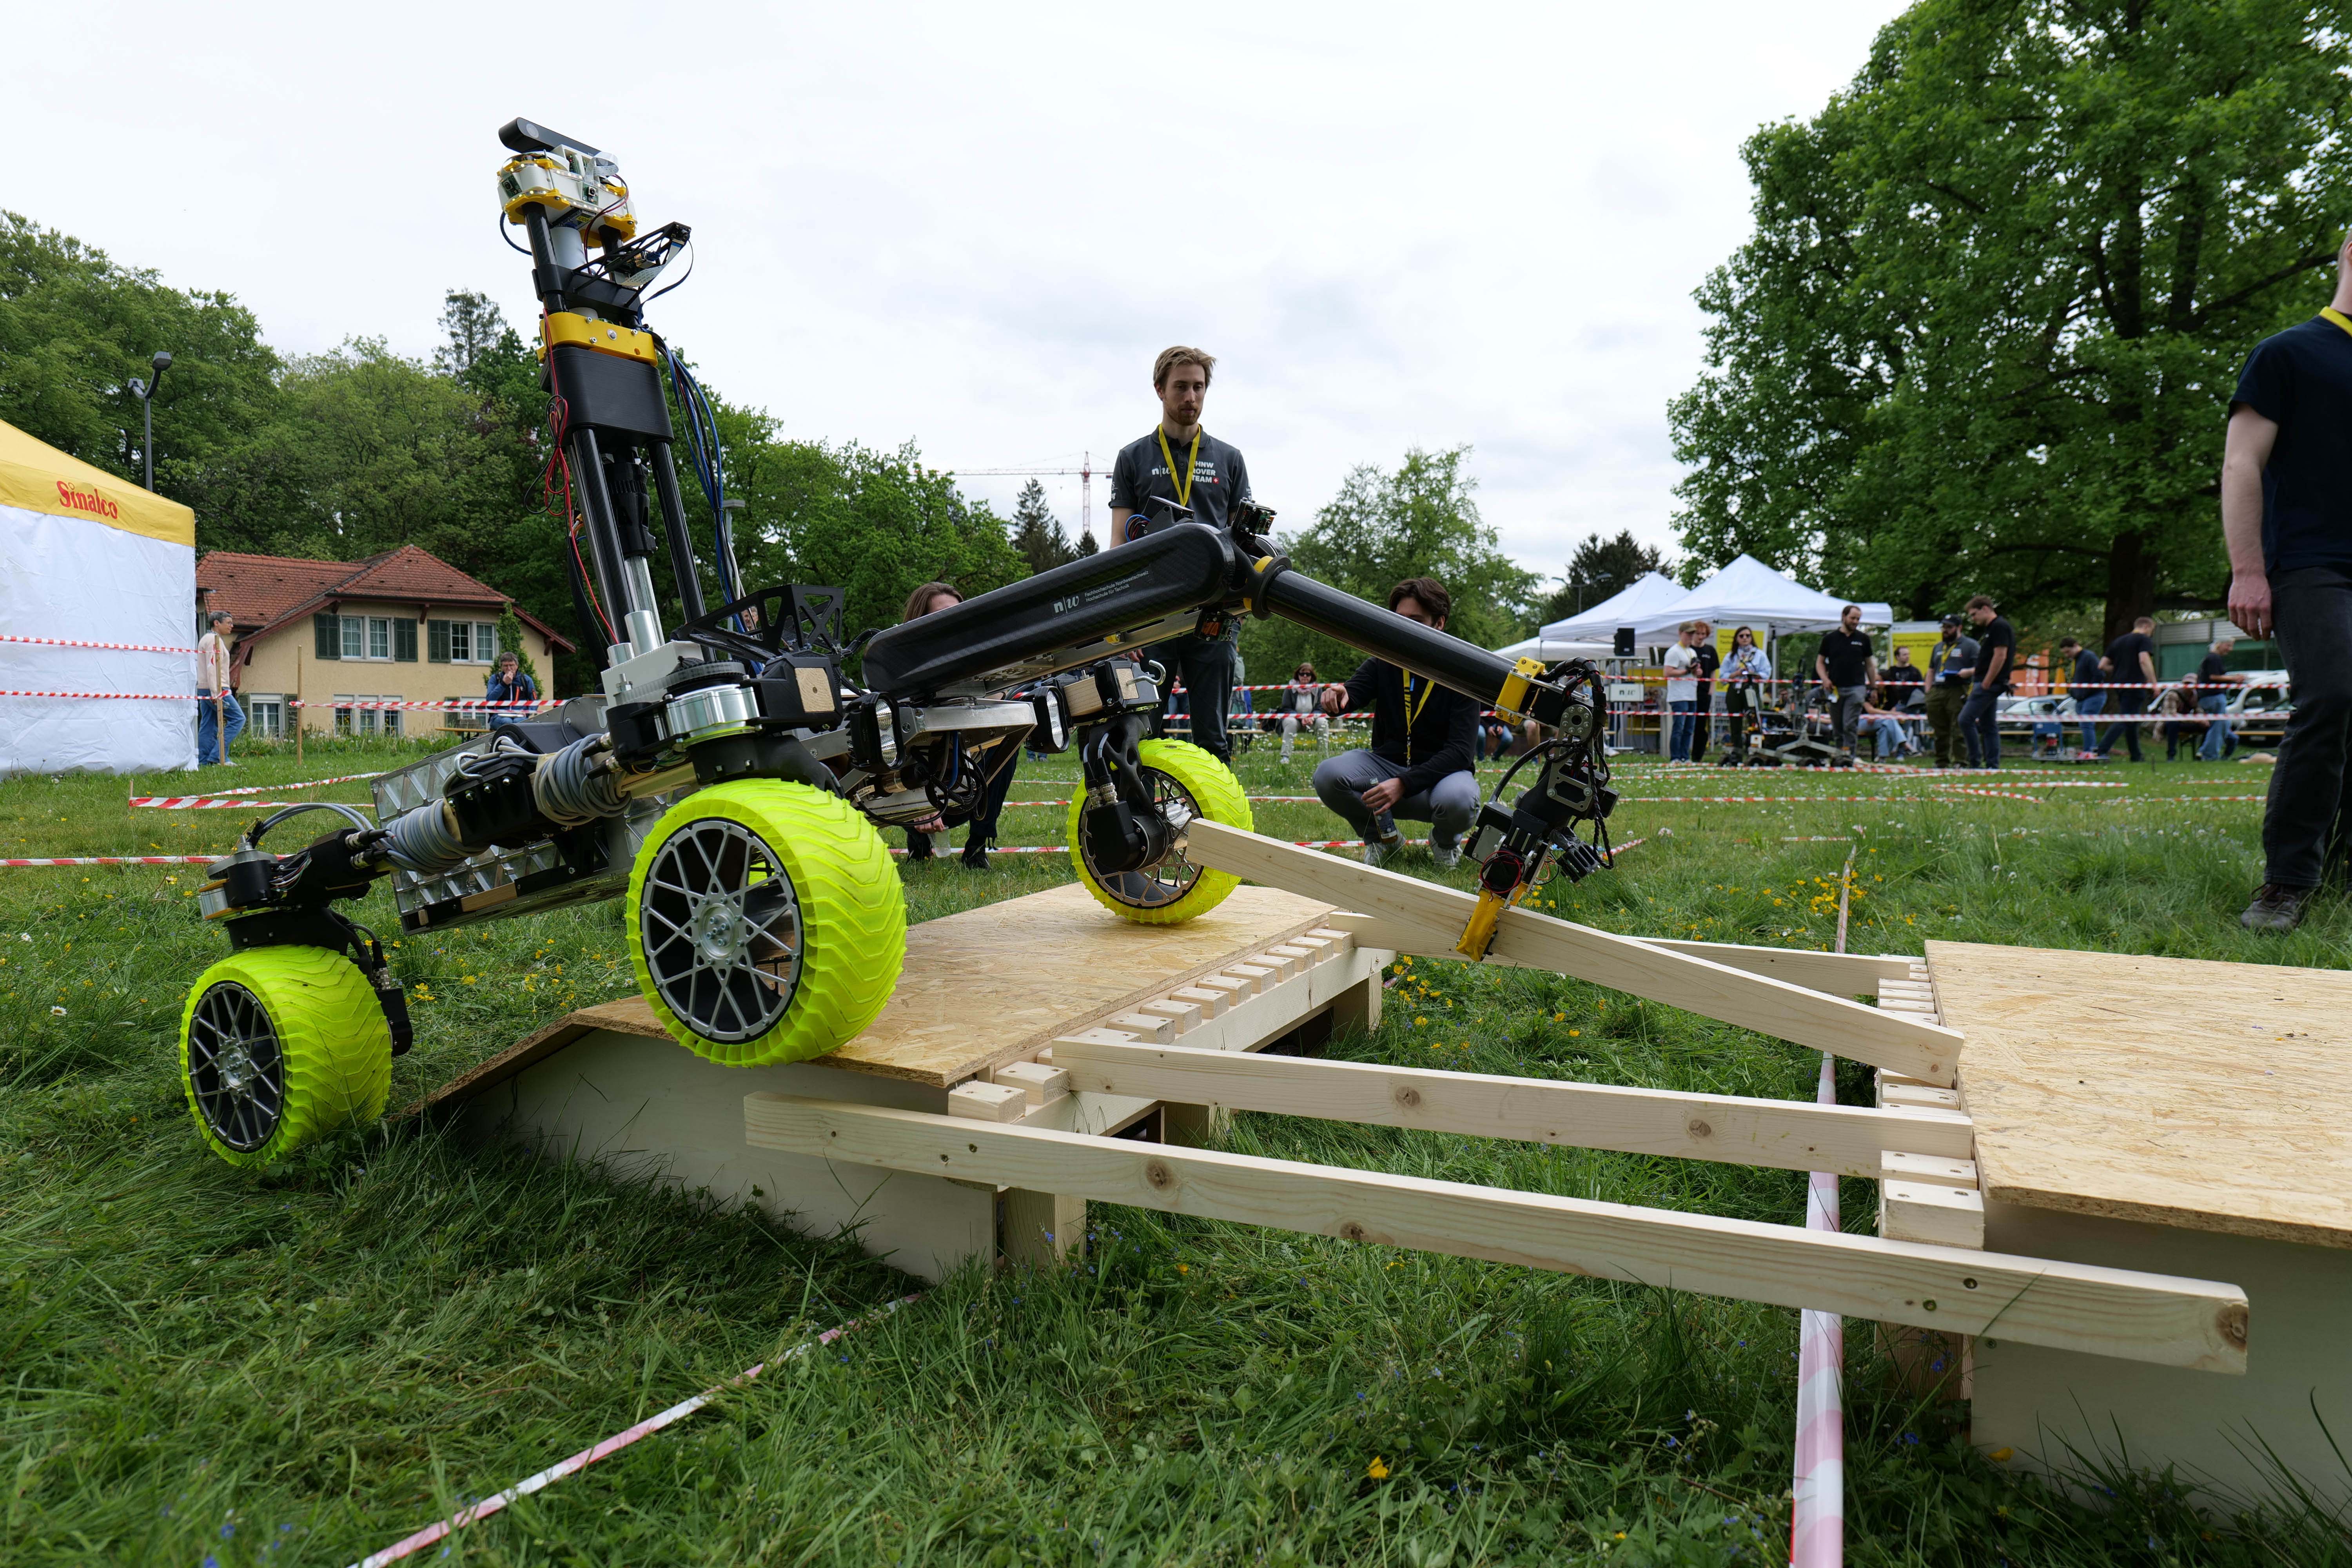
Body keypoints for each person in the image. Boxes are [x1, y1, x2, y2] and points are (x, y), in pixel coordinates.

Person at [2227, 237, 2352, 929]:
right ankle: (2287, 882)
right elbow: (2241, 464)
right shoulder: (2287, 354)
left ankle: (2343, 868)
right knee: (2332, 695)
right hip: (2311, 563)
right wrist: (2248, 569)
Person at [1108, 345, 1253, 764]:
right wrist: (1120, 623)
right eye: (1181, 387)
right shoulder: (1133, 457)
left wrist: (1240, 606)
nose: (1191, 397)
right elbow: (1118, 543)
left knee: (1213, 739)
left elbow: (1244, 542)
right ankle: (1140, 807)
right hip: (1153, 612)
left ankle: (1216, 809)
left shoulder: (1230, 459)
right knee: (1143, 733)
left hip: (1213, 611)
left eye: (1199, 387)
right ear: (1160, 389)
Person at [1312, 577, 1481, 869]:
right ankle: (1383, 839)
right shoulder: (1384, 660)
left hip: (1441, 779)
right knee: (1328, 775)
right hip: (1387, 768)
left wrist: (1405, 783)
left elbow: (1461, 753)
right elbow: (1352, 693)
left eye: (1416, 620)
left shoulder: (1463, 672)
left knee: (1461, 800)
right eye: (1399, 619)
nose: (1404, 627)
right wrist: (1338, 698)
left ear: (1440, 623)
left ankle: (1444, 843)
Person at [897, 581, 1018, 869]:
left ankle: (977, 849)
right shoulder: (899, 672)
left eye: (957, 615)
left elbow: (998, 699)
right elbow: (896, 748)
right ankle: (918, 843)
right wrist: (920, 803)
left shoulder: (974, 662)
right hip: (916, 786)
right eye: (941, 617)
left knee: (1008, 744)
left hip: (963, 784)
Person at [1815, 604, 1876, 766]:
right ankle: (1839, 755)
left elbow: (1870, 665)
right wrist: (1825, 679)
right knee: (1838, 727)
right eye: (1853, 618)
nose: (1856, 622)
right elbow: (1820, 663)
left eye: (1858, 619)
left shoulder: (1863, 639)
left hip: (1857, 688)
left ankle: (1849, 756)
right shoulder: (1830, 639)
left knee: (1850, 724)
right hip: (1835, 689)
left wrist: (1873, 687)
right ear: (1844, 617)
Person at [1959, 594, 2016, 768]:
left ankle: (1975, 762)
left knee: (1965, 720)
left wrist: (1987, 681)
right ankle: (1992, 765)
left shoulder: (1999, 626)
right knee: (1988, 724)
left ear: (1985, 609)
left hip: (1989, 683)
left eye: (1974, 614)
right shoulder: (1993, 628)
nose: (1973, 619)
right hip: (1988, 681)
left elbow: (2000, 655)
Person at [2092, 615, 2159, 763]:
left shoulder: (2118, 641)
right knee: (2126, 718)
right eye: (2152, 630)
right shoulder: (2143, 639)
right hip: (2135, 684)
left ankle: (2136, 755)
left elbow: (2102, 665)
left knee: (2132, 720)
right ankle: (2102, 750)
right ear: (2147, 627)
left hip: (2119, 685)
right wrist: (2154, 683)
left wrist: (2119, 669)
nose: (2151, 634)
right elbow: (2144, 660)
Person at [1925, 614, 1978, 768]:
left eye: (1949, 627)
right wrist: (1928, 691)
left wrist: (1968, 672)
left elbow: (1981, 667)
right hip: (1937, 691)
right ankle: (1941, 761)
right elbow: (1931, 670)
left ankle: (1960, 761)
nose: (1946, 630)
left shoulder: (1971, 646)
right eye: (1944, 627)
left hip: (1958, 689)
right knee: (1939, 729)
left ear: (1959, 628)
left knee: (1958, 728)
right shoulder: (1938, 647)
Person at [194, 610, 244, 766]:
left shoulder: (208, 639)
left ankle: (204, 761)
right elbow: (212, 667)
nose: (232, 626)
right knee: (238, 719)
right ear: (217, 623)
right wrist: (216, 693)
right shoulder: (213, 640)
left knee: (209, 724)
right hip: (216, 688)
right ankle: (219, 756)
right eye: (229, 623)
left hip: (205, 688)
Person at [1719, 626, 1771, 764]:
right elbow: (1723, 677)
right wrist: (1736, 674)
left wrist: (1754, 674)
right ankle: (1737, 753)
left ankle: (1755, 752)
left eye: (1748, 635)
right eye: (1741, 636)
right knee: (1735, 722)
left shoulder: (1759, 654)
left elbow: (1766, 673)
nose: (1745, 638)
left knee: (1755, 721)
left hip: (1751, 688)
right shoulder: (1731, 656)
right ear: (1737, 639)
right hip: (1735, 690)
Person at [2196, 637, 2243, 762]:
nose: (2230, 649)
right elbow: (2214, 677)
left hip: (2209, 697)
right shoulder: (2214, 658)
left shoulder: (2210, 658)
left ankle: (2207, 751)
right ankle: (2209, 754)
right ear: (2219, 645)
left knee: (2224, 725)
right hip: (2214, 697)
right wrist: (2234, 678)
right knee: (2218, 726)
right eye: (2228, 646)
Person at [1662, 622, 1702, 761]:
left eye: (1692, 634)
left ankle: (1685, 756)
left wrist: (1697, 672)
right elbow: (1667, 672)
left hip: (1692, 694)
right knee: (1679, 728)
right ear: (1681, 633)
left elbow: (1695, 672)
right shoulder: (1674, 651)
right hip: (1679, 696)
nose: (1690, 637)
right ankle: (1675, 757)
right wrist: (1686, 671)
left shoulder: (1692, 651)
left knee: (1689, 729)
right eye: (1688, 634)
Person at [1278, 662, 1330, 762]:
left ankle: (1324, 757)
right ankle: (1286, 757)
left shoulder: (1318, 688)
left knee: (1323, 722)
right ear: (1298, 675)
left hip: (1312, 721)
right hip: (1295, 720)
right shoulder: (1290, 688)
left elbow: (1320, 708)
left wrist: (1312, 717)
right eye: (1302, 674)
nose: (1305, 676)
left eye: (1308, 674)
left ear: (1312, 676)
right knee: (1291, 722)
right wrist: (1300, 717)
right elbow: (1286, 708)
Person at [2066, 636, 2107, 756]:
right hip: (2081, 699)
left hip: (2094, 696)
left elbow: (2099, 674)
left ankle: (2090, 751)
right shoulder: (2077, 660)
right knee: (2085, 725)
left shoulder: (2089, 657)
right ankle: (2090, 750)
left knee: (2087, 724)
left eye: (2068, 652)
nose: (2067, 655)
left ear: (2075, 646)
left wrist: (2087, 691)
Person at [1689, 620, 1720, 763]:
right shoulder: (1689, 650)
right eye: (1698, 634)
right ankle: (1683, 754)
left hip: (1705, 692)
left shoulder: (1710, 650)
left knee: (1702, 726)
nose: (1700, 637)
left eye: (1703, 634)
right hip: (1689, 692)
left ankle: (1698, 756)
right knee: (1688, 724)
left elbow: (1714, 671)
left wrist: (1711, 690)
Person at [484, 651, 539, 729]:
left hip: (520, 714)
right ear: (501, 667)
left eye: (511, 665)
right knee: (507, 722)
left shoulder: (525, 680)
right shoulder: (495, 679)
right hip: (499, 716)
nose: (509, 668)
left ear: (517, 666)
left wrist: (527, 713)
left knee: (519, 722)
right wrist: (503, 684)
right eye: (506, 666)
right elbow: (489, 701)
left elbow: (535, 701)